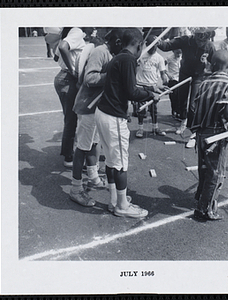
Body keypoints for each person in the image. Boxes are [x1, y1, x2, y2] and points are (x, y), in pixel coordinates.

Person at [95, 28, 159, 218]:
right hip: (113, 117)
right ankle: (122, 206)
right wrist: (151, 94)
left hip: (103, 113)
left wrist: (152, 87)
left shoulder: (118, 58)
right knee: (121, 163)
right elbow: (131, 92)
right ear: (139, 44)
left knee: (110, 160)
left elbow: (126, 85)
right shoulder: (128, 60)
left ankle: (115, 200)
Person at [69, 29, 124, 206]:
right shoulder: (101, 52)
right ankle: (75, 189)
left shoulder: (110, 53)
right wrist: (113, 75)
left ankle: (93, 178)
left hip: (96, 108)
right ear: (117, 41)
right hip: (87, 107)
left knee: (93, 144)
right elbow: (90, 78)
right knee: (82, 148)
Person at [190, 50, 228, 221]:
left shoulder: (205, 82)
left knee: (204, 169)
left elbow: (194, 107)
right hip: (216, 135)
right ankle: (204, 209)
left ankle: (201, 197)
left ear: (212, 65)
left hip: (201, 132)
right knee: (215, 172)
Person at [158, 27, 217, 147]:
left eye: (203, 42)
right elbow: (166, 46)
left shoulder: (210, 46)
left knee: (193, 104)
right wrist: (157, 41)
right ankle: (183, 121)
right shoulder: (186, 40)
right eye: (199, 41)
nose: (201, 44)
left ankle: (193, 133)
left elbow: (215, 63)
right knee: (182, 99)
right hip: (185, 72)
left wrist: (211, 70)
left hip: (198, 76)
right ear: (195, 37)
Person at [54, 27, 86, 167]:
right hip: (68, 78)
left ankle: (70, 152)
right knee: (71, 119)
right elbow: (62, 47)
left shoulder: (68, 33)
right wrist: (73, 69)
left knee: (70, 117)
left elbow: (56, 56)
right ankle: (68, 157)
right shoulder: (77, 31)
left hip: (62, 78)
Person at [135, 35, 168, 138]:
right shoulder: (140, 54)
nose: (153, 49)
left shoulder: (159, 58)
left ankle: (155, 127)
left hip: (152, 86)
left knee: (153, 108)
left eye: (155, 47)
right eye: (152, 46)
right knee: (141, 109)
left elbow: (162, 72)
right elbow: (133, 67)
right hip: (140, 85)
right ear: (147, 45)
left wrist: (164, 80)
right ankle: (140, 129)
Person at [165, 49, 182, 119]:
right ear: (173, 51)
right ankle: (174, 110)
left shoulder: (182, 57)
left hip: (181, 79)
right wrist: (167, 73)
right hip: (173, 79)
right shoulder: (169, 58)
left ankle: (179, 112)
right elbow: (161, 65)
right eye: (177, 53)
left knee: (180, 96)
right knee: (173, 96)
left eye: (180, 53)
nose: (178, 55)